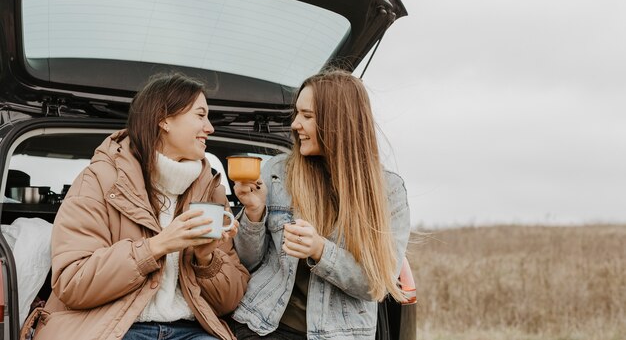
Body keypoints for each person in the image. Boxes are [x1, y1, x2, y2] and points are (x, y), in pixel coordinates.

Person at [29, 73, 249, 340]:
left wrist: (206, 260)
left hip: (191, 329)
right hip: (113, 327)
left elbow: (230, 301)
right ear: (164, 119)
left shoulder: (211, 189)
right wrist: (156, 246)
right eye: (200, 115)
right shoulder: (99, 180)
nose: (210, 127)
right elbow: (72, 282)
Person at [229, 70, 411, 340]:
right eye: (297, 114)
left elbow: (378, 285)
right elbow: (246, 262)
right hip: (261, 325)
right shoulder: (278, 172)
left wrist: (320, 250)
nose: (294, 124)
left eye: (307, 116)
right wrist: (254, 215)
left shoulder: (388, 191)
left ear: (338, 122)